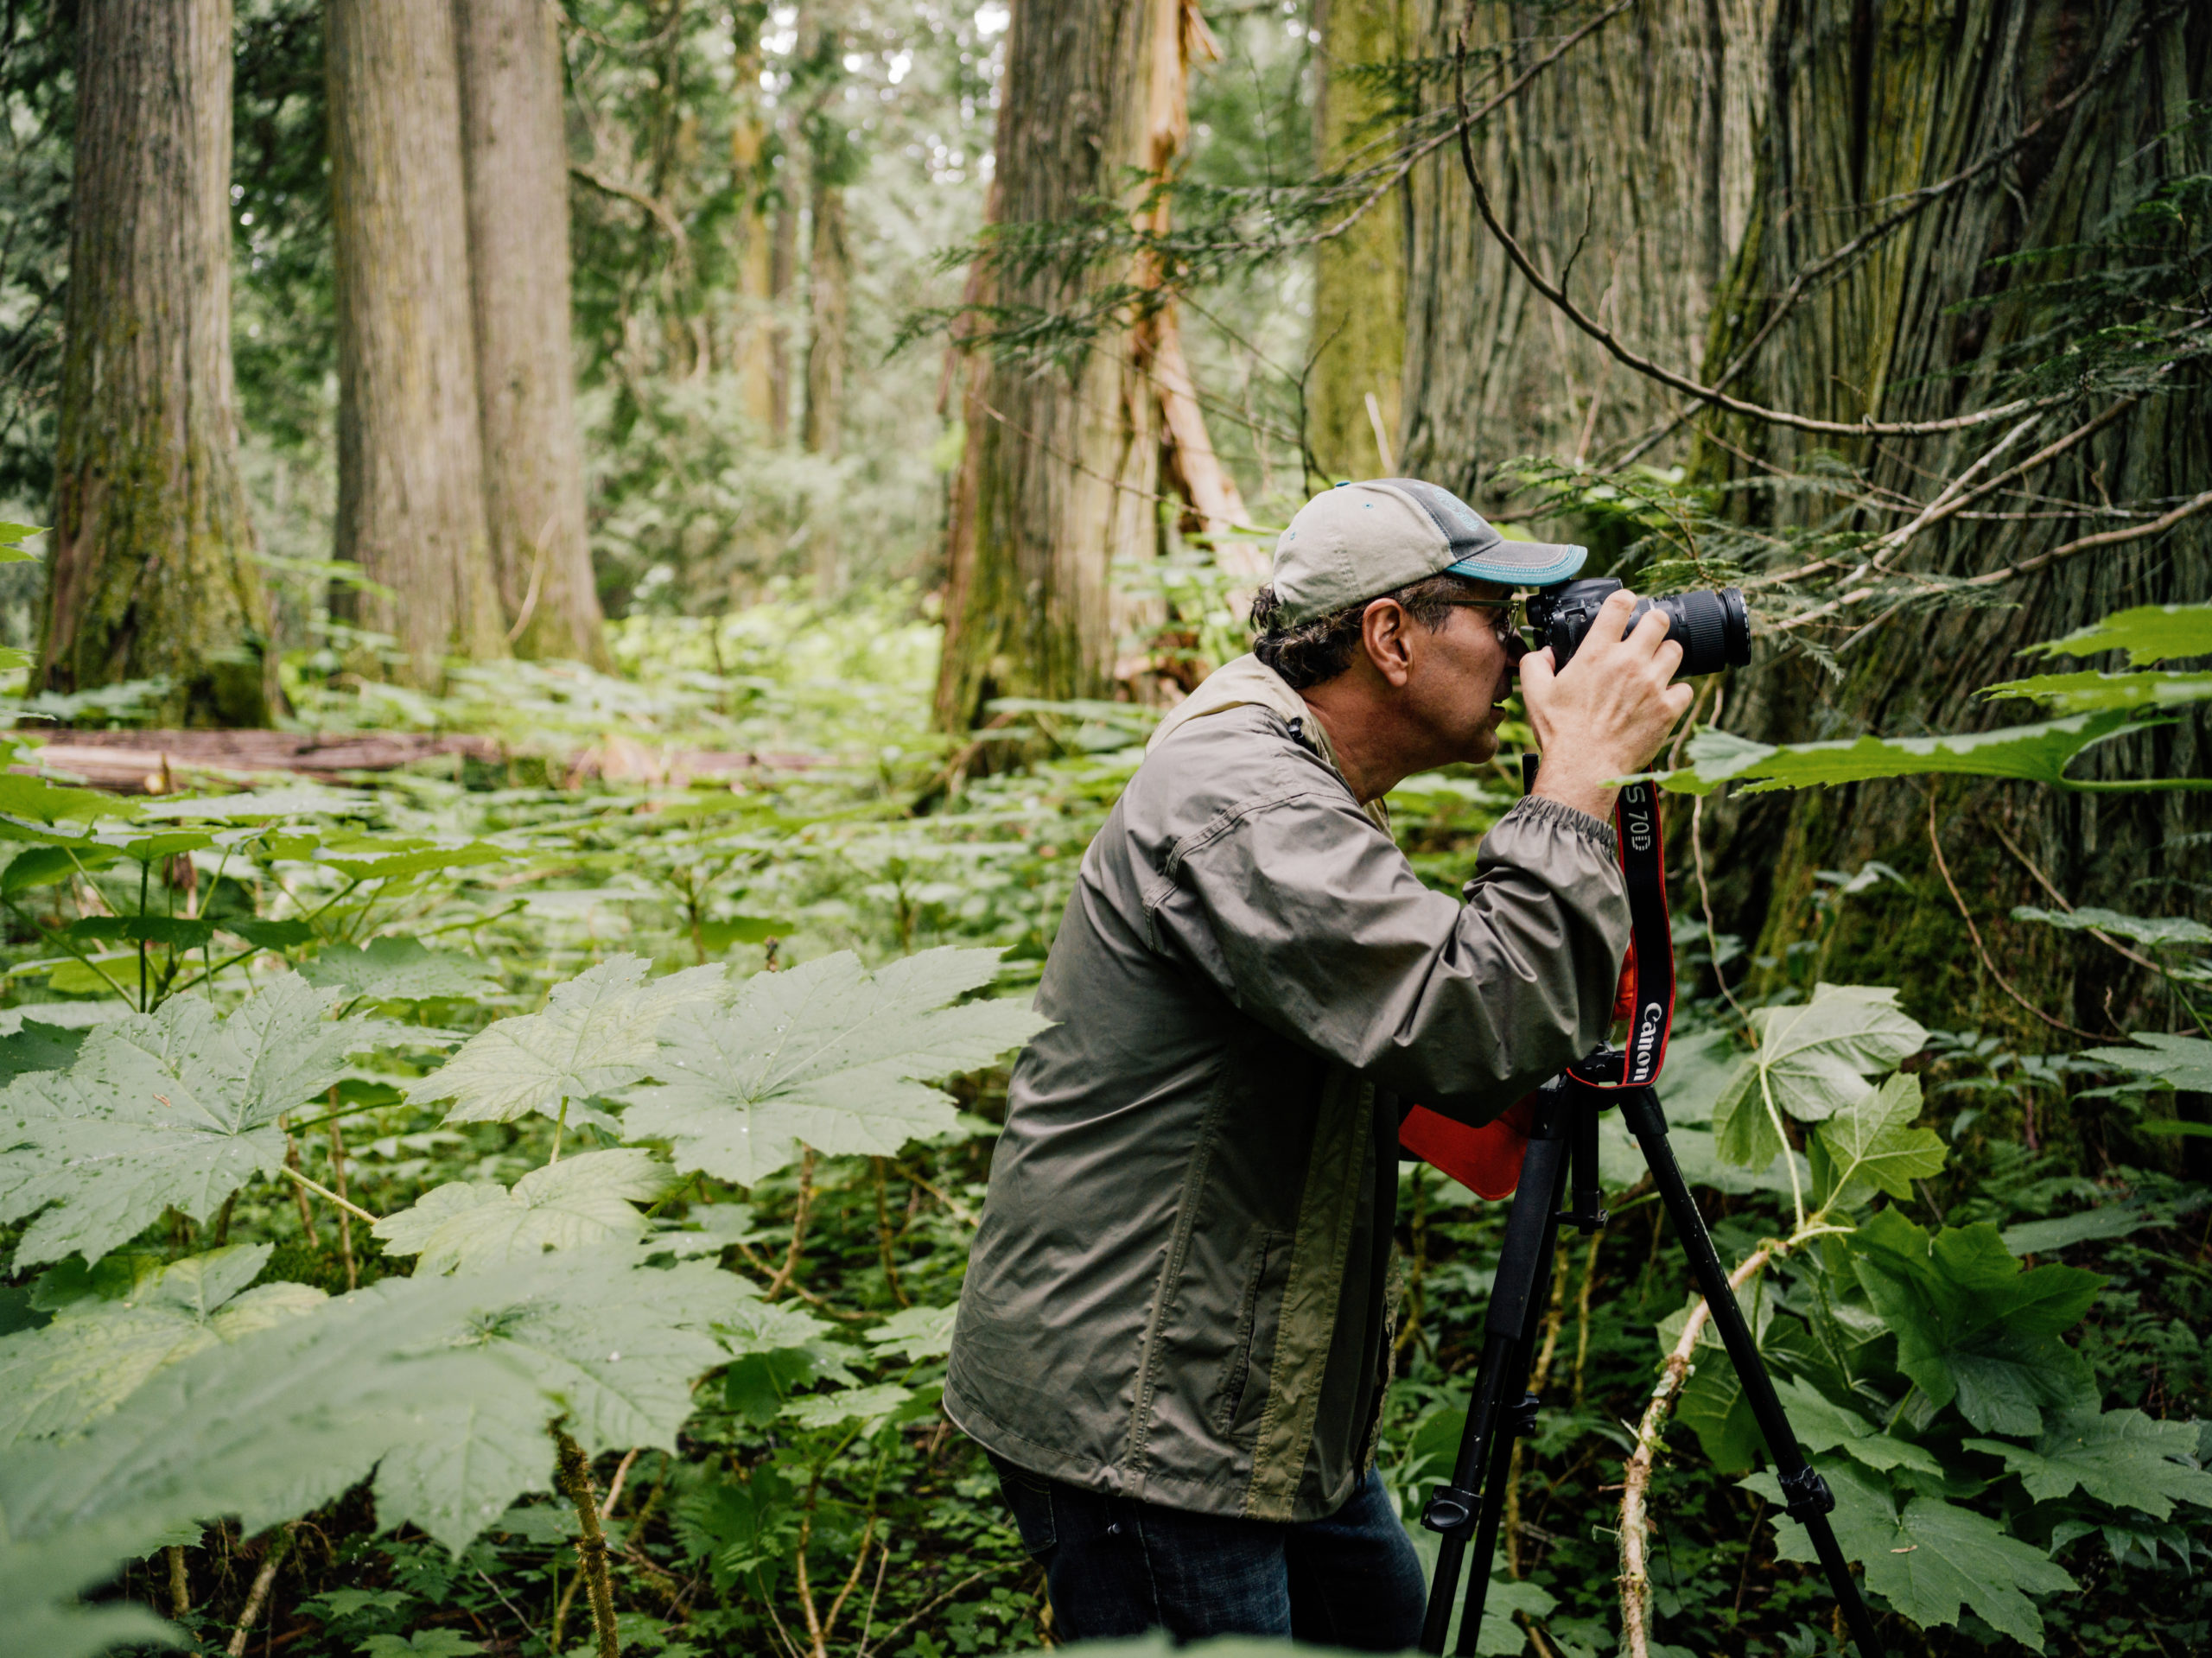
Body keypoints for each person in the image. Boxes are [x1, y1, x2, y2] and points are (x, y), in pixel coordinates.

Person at [942, 478, 1696, 1647]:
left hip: (1248, 1405)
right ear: (1391, 635)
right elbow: (1471, 1024)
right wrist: (1579, 774)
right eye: (1495, 619)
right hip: (1145, 1427)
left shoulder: (1301, 781)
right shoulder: (1243, 799)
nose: (1519, 652)